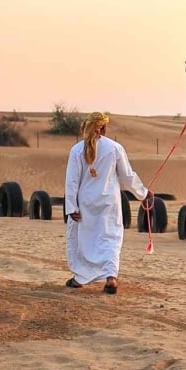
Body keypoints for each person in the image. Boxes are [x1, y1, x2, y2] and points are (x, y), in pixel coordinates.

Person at [65, 111, 151, 294]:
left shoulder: (76, 150)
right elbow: (127, 176)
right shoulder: (115, 148)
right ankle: (111, 277)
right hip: (109, 203)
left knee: (84, 240)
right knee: (110, 238)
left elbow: (71, 181)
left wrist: (71, 207)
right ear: (103, 128)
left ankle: (80, 278)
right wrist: (143, 194)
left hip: (85, 204)